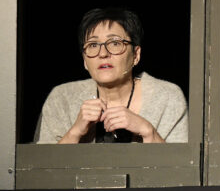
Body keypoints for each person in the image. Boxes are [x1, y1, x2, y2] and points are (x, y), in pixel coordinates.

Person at [35, 8, 188, 144]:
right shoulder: (62, 98)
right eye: (93, 45)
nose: (103, 54)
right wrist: (75, 133)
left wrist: (148, 131)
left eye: (115, 43)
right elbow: (41, 166)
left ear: (136, 55)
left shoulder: (167, 97)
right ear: (85, 60)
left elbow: (182, 165)